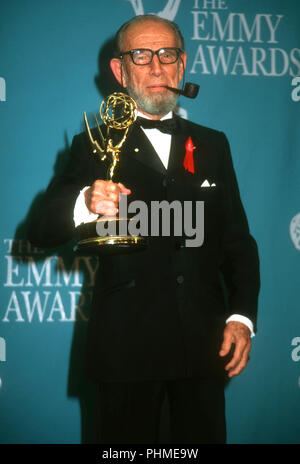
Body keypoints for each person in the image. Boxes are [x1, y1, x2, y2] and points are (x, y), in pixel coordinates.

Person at [28, 15, 260, 444]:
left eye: (166, 54)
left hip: (202, 356)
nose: (156, 67)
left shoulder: (214, 145)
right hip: (125, 359)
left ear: (182, 64)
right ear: (120, 70)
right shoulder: (91, 145)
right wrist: (83, 202)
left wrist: (242, 316)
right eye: (141, 55)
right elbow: (39, 230)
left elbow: (238, 243)